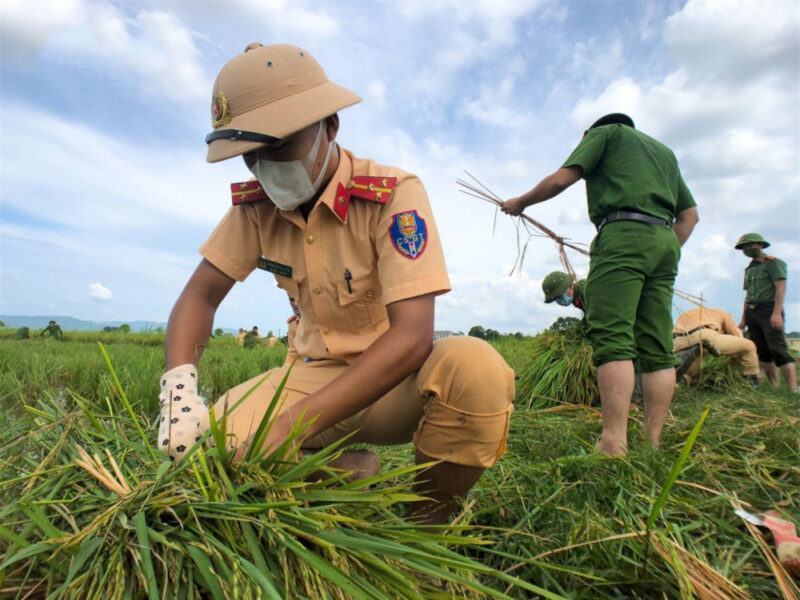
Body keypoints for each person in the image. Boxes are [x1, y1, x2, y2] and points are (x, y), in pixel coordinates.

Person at [157, 43, 514, 523]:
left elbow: (411, 337)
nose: (265, 169)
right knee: (213, 454)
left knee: (476, 370)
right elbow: (200, 295)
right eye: (250, 156)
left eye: (278, 147)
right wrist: (178, 388)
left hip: (394, 381)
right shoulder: (256, 209)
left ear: (330, 125)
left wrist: (289, 427)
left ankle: (430, 516)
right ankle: (349, 476)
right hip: (310, 373)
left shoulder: (391, 195)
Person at [503, 113, 699, 455]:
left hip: (623, 233)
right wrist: (660, 249)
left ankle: (613, 442)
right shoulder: (664, 153)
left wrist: (520, 203)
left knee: (613, 340)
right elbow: (690, 216)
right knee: (657, 347)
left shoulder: (606, 133)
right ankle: (651, 444)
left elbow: (560, 180)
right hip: (665, 242)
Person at [542, 270, 702, 385]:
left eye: (560, 296)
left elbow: (597, 318)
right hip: (621, 321)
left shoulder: (587, 290)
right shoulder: (577, 297)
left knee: (643, 355)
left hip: (630, 320)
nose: (560, 301)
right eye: (556, 299)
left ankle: (672, 376)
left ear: (570, 286)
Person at [735, 233, 797, 392]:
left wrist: (776, 313)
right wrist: (743, 320)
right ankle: (774, 386)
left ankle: (793, 388)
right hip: (752, 311)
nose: (747, 249)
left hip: (769, 309)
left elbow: (780, 287)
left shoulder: (773, 264)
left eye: (750, 245)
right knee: (761, 350)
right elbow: (747, 295)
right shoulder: (749, 269)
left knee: (778, 348)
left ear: (760, 245)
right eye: (744, 247)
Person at [672, 306, 759, 388]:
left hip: (677, 341)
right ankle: (750, 385)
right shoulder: (722, 313)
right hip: (703, 334)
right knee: (748, 346)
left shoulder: (691, 313)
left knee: (688, 372)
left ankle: (681, 383)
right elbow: (738, 336)